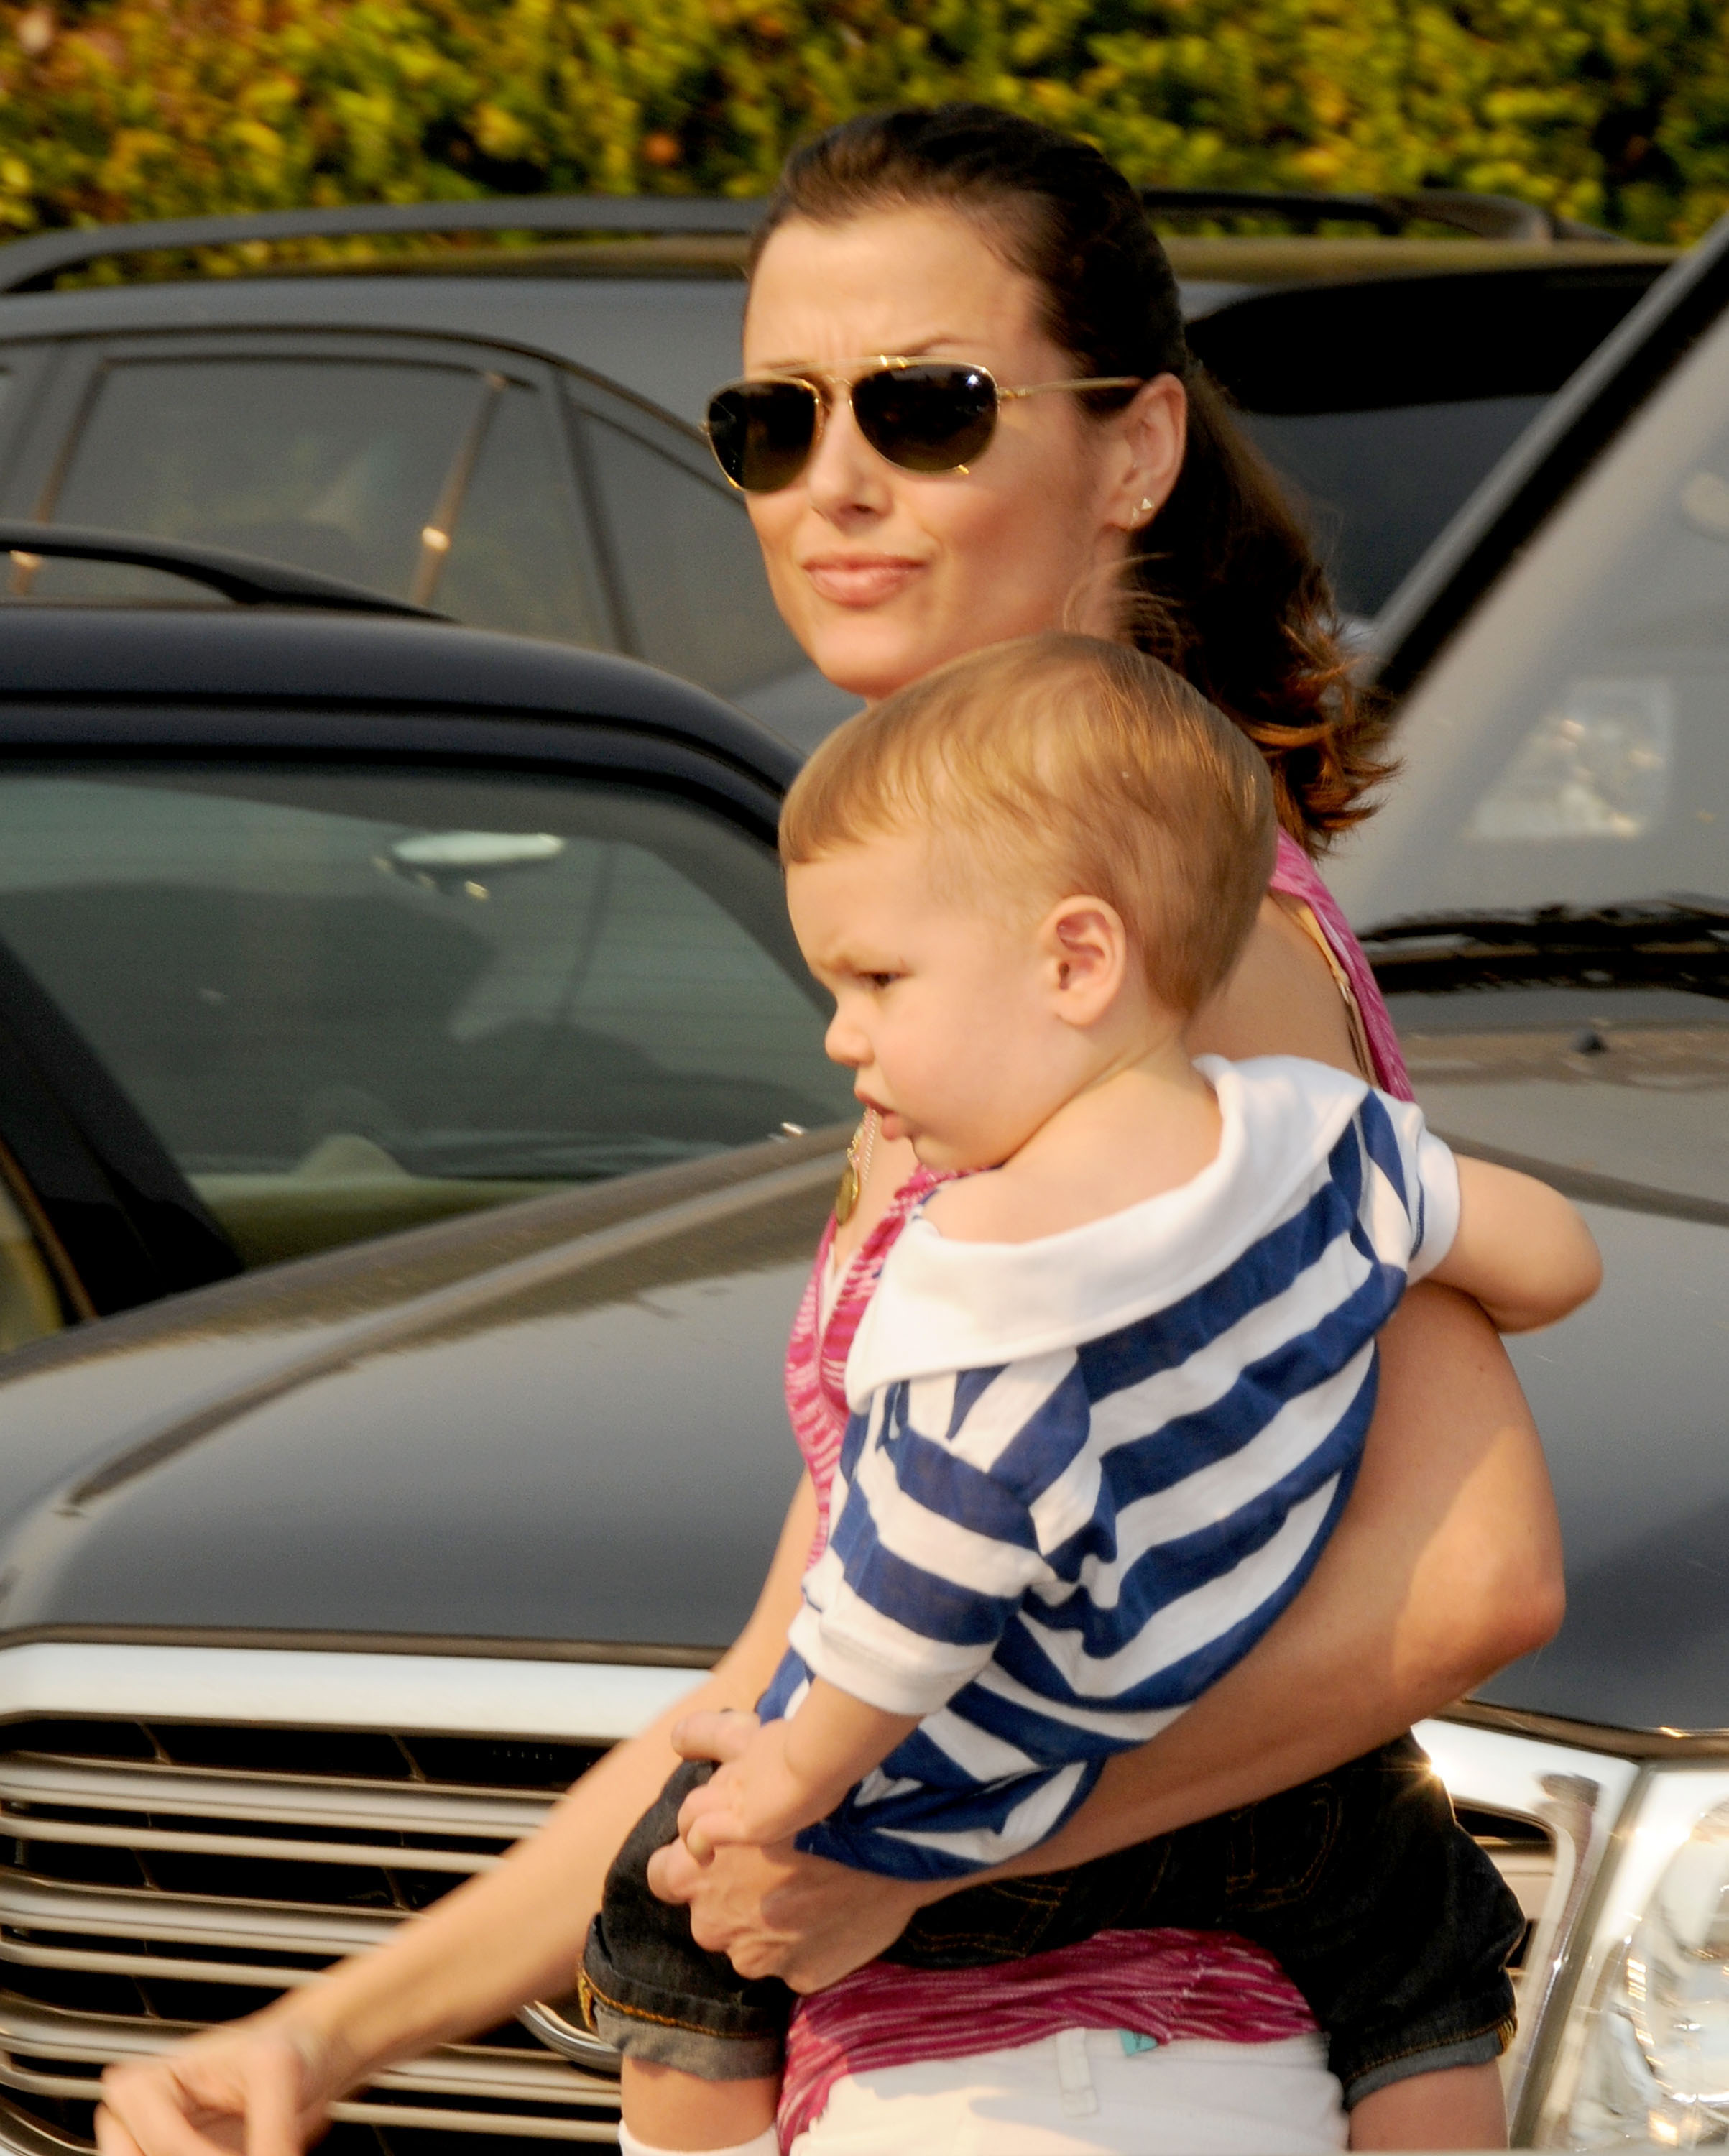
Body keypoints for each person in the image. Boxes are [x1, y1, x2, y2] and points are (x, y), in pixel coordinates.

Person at [93, 103, 1566, 2156]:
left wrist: (940, 1862)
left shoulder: (1157, 963)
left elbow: (1469, 1573)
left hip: (1109, 2062)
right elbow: (791, 1662)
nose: (832, 484)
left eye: (926, 406)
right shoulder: (1001, 975)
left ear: (1131, 450)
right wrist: (330, 2036)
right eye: (771, 421)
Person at [580, 635, 1601, 2156]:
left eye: (875, 981)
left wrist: (789, 1778)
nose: (840, 1033)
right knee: (1419, 1944)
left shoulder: (987, 1280)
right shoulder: (1326, 1138)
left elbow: (921, 1591)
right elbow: (1556, 1261)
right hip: (1272, 1767)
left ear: (1075, 961)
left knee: (672, 1887)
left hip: (978, 1785)